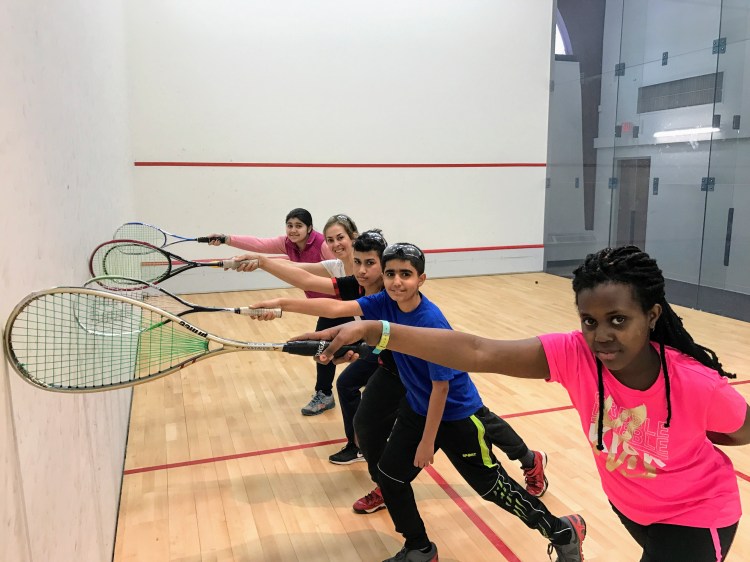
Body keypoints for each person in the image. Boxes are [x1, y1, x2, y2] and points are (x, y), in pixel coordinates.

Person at [305, 245, 750, 562]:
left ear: (651, 316)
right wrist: (375, 330)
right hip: (632, 509)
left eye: (619, 320)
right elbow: (479, 351)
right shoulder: (576, 354)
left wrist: (690, 437)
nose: (603, 335)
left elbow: (742, 430)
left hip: (696, 516)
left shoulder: (695, 383)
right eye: (590, 321)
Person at [252, 242, 582, 562]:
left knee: (492, 488)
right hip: (416, 407)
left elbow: (441, 387)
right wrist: (283, 304)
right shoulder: (383, 302)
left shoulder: (431, 321)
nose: (397, 281)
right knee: (391, 476)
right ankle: (419, 546)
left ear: (420, 279)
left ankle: (561, 530)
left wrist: (426, 443)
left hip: (456, 416)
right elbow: (336, 309)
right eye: (391, 273)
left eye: (406, 274)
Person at [211, 210, 359, 415]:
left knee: (363, 360)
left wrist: (265, 265)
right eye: (290, 225)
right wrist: (260, 261)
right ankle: (325, 394)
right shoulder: (333, 264)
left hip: (348, 309)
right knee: (325, 351)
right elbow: (298, 270)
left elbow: (309, 279)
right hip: (335, 307)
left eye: (340, 238)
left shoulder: (350, 265)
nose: (335, 244)